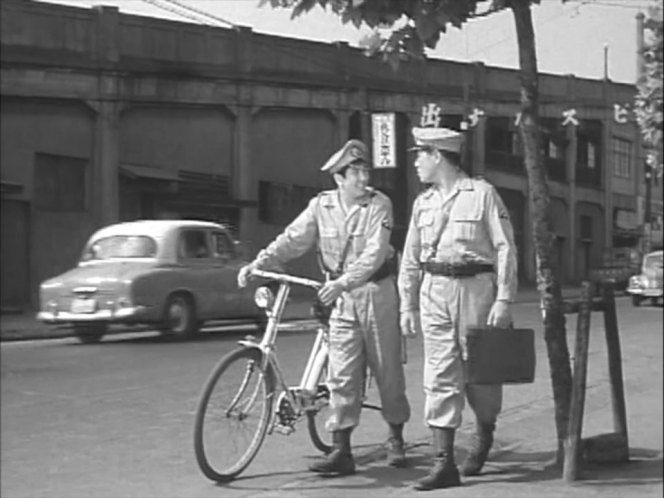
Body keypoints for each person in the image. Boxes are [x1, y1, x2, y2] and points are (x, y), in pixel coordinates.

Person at [238, 139, 411, 476]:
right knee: (341, 373)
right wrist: (258, 264)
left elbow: (375, 254)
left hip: (376, 293)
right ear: (339, 179)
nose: (363, 179)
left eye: (365, 171)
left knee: (387, 369)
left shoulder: (379, 205)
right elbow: (292, 239)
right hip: (341, 299)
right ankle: (341, 449)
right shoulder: (321, 207)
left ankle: (395, 437)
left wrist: (342, 283)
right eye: (356, 173)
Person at [398, 126, 518, 491]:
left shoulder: (482, 195)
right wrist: (408, 304)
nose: (416, 162)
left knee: (480, 372)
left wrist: (504, 298)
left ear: (438, 155)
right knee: (439, 374)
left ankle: (484, 431)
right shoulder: (423, 203)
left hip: (476, 290)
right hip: (434, 290)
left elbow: (505, 248)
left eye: (420, 154)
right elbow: (410, 257)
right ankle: (443, 461)